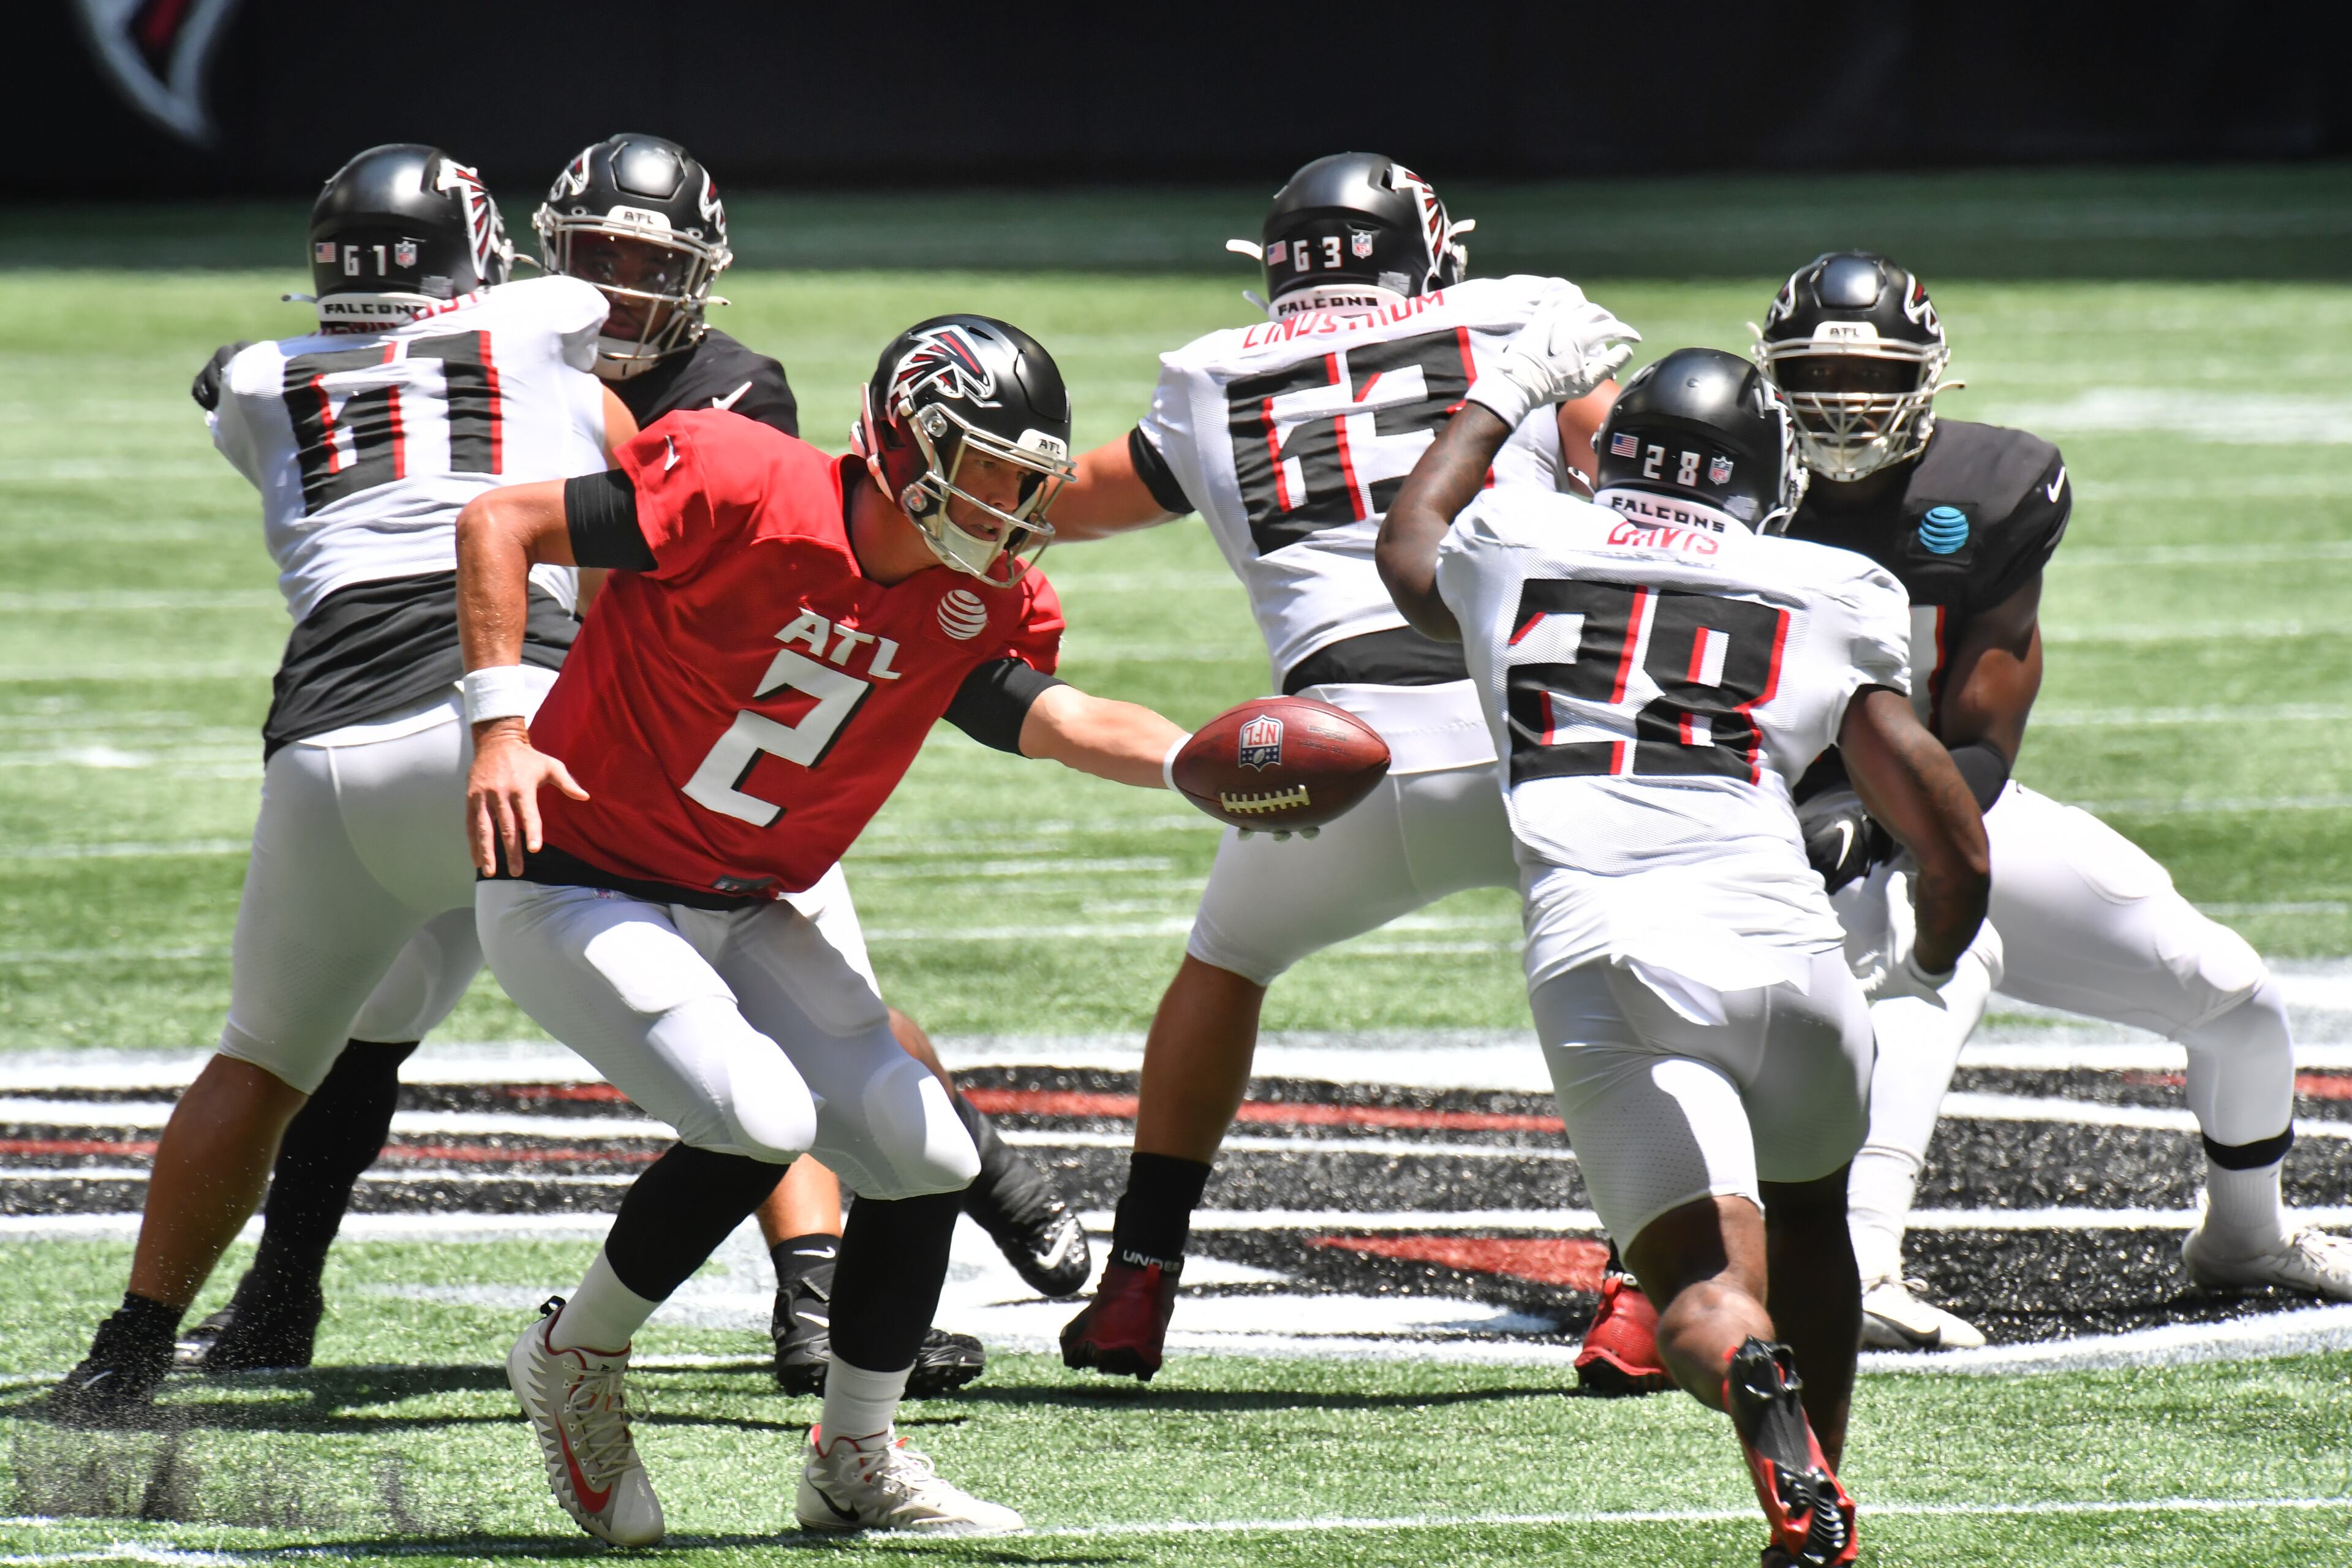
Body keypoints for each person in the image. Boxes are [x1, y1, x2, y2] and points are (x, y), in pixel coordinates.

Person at [173, 132, 1085, 1393]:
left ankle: (823, 1286)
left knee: (800, 973)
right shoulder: (523, 344)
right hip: (536, 720)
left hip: (704, 733)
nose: (611, 290)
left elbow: (768, 584)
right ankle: (283, 1284)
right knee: (375, 1010)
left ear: (701, 277)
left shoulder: (723, 394)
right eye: (590, 258)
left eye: (640, 264)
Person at [458, 315, 1196, 1542]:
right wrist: (500, 726)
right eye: (998, 467)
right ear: (910, 446)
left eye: (1032, 472)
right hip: (577, 877)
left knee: (928, 1153)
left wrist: (1196, 763)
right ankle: (574, 1356)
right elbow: (500, 522)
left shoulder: (976, 594)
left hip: (746, 900)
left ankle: (854, 1453)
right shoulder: (740, 481)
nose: (1022, 501)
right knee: (758, 1118)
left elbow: (1055, 716)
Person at [1378, 334, 1994, 1568]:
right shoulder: (1828, 585)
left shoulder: (1517, 543)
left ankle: (1755, 1388)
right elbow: (1953, 843)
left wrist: (1503, 394)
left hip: (1607, 954)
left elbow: (1409, 547)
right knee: (1812, 1210)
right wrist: (1928, 957)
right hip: (1787, 950)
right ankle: (1817, 1495)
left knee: (1707, 1293)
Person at [44, 143, 631, 1423]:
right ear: (473, 258)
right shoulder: (544, 322)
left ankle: (131, 1346)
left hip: (330, 748)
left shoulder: (260, 380)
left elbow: (256, 396)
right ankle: (823, 1306)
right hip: (509, 720)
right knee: (743, 1003)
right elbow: (632, 490)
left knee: (259, 1058)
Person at [1046, 151, 1627, 1384]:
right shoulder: (1516, 312)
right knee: (1617, 977)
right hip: (1530, 735)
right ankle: (1641, 1286)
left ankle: (1137, 1281)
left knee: (1226, 963)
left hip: (1329, 762)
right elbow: (1629, 466)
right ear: (1428, 249)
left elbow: (1070, 502)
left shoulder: (1213, 373)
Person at [1756, 252, 2352, 1347]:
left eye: (1873, 379)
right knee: (1938, 949)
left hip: (1942, 799)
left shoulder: (1991, 489)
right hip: (1763, 831)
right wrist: (1799, 819)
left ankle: (2248, 1236)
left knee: (2234, 993)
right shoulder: (1729, 488)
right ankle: (1861, 1263)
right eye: (1813, 378)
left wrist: (1900, 822)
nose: (1843, 408)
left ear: (1930, 381)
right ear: (1766, 380)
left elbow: (1982, 733)